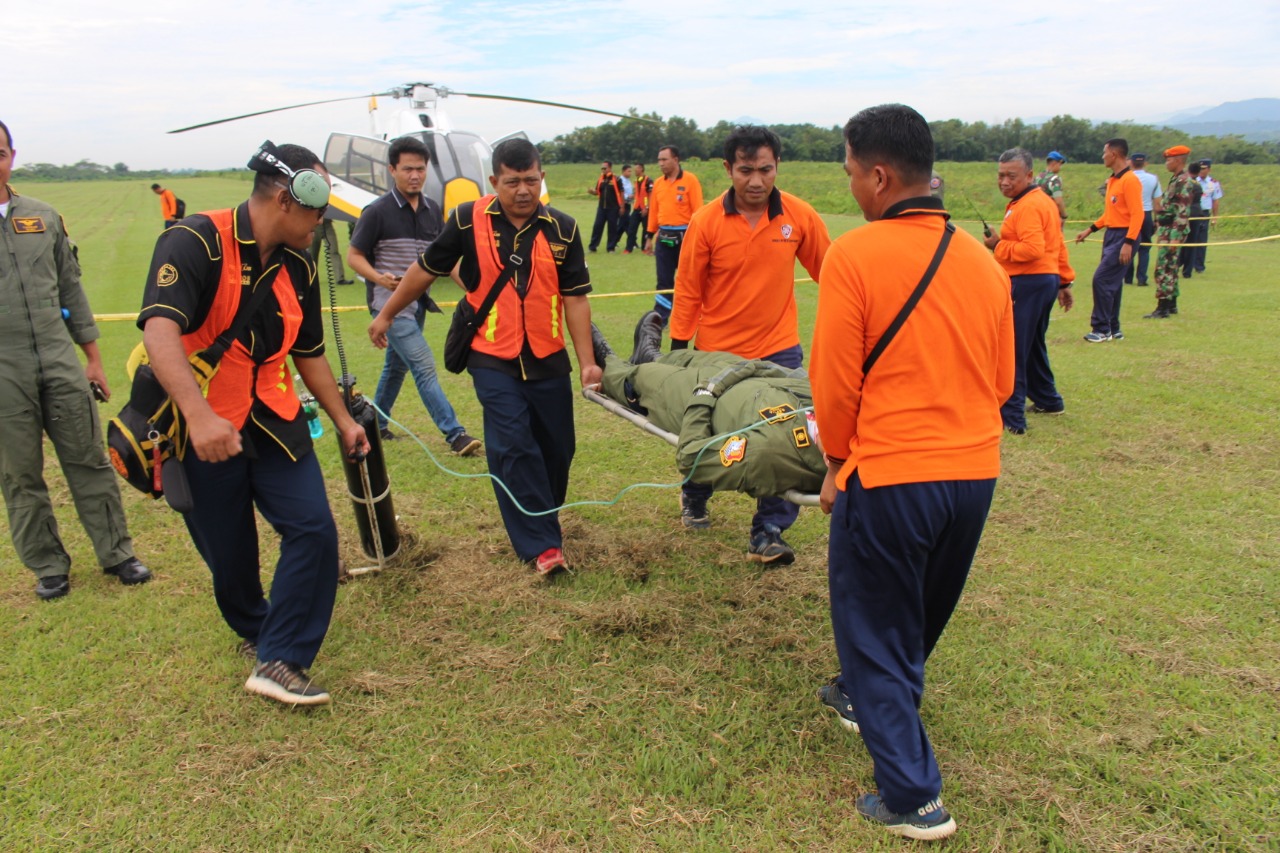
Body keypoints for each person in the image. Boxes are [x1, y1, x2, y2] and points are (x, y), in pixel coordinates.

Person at [810, 104, 1013, 841]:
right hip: (975, 473)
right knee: (917, 610)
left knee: (870, 622)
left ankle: (912, 794)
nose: (851, 186)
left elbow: (833, 383)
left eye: (851, 172)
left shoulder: (856, 255)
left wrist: (837, 463)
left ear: (880, 175)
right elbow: (1001, 381)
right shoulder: (982, 261)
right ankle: (860, 693)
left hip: (893, 473)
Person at [140, 141, 369, 706]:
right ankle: (255, 627)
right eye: (318, 211)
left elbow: (309, 351)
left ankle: (281, 659)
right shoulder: (194, 241)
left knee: (314, 528)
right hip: (206, 428)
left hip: (275, 418)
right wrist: (198, 417)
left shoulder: (300, 260)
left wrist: (342, 420)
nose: (322, 224)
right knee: (231, 555)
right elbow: (158, 332)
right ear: (289, 200)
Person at [369, 138, 600, 578]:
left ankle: (541, 517)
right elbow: (424, 270)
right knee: (512, 443)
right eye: (512, 182)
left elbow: (575, 299)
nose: (523, 191)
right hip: (490, 356)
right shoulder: (466, 219)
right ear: (494, 181)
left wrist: (587, 362)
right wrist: (387, 314)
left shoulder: (563, 229)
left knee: (557, 448)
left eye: (531, 180)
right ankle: (542, 546)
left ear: (542, 178)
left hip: (548, 358)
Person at [0, 119, 152, 600]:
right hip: (4, 368)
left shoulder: (42, 217)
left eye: (0, 150)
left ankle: (117, 553)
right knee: (20, 474)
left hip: (58, 357)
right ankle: (48, 566)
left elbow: (71, 289)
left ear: (12, 155)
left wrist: (92, 359)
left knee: (88, 459)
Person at [667, 125, 831, 564]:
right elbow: (687, 290)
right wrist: (680, 352)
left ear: (777, 167)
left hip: (780, 352)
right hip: (717, 355)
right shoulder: (705, 222)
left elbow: (831, 275)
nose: (756, 181)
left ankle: (770, 529)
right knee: (712, 435)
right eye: (745, 170)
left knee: (793, 438)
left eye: (765, 169)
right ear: (728, 169)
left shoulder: (799, 216)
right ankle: (696, 493)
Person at [346, 137, 480, 455]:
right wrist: (379, 277)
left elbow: (445, 262)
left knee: (396, 367)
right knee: (423, 366)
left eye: (421, 169)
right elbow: (354, 256)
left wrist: (477, 291)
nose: (415, 175)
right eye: (407, 169)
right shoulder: (376, 212)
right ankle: (456, 435)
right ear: (392, 170)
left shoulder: (433, 211)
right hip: (388, 307)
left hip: (419, 304)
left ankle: (374, 425)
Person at [593, 323, 824, 498]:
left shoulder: (767, 454)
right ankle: (652, 355)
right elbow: (792, 375)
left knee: (642, 379)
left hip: (701, 398)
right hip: (735, 373)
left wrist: (705, 395)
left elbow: (692, 458)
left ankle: (609, 362)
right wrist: (748, 367)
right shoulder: (826, 402)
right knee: (690, 359)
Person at [982, 148, 1075, 434]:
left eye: (1012, 176)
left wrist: (997, 245)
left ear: (1030, 175)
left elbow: (1033, 250)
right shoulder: (1036, 201)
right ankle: (1048, 399)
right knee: (1033, 344)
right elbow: (1056, 243)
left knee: (1014, 348)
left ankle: (1011, 418)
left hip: (1029, 281)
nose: (1005, 182)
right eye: (1001, 175)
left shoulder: (1029, 206)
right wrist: (1063, 281)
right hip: (1044, 280)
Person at [1075, 138, 1143, 343]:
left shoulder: (1130, 180)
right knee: (1113, 283)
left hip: (1125, 236)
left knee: (1101, 279)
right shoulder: (1113, 180)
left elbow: (1137, 214)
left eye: (1104, 152)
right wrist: (1090, 229)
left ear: (1114, 154)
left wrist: (1129, 243)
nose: (1102, 156)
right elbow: (1111, 214)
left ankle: (1101, 329)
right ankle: (1114, 327)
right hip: (1111, 234)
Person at [646, 145, 704, 322]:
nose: (660, 163)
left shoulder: (690, 180)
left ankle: (695, 315)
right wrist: (649, 236)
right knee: (663, 281)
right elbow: (654, 212)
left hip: (686, 236)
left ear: (676, 160)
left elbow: (698, 211)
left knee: (691, 280)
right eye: (659, 160)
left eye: (664, 159)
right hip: (663, 237)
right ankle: (661, 318)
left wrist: (697, 237)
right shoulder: (658, 184)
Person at [1145, 146, 1196, 319]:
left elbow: (1182, 211)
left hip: (1172, 231)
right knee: (1171, 267)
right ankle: (1172, 303)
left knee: (1164, 268)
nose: (1166, 163)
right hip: (1168, 228)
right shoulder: (1176, 179)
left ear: (1179, 160)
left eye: (1169, 159)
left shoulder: (1184, 181)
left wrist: (1175, 238)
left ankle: (1162, 307)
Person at [1124, 153, 1163, 286]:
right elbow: (1157, 203)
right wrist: (1157, 220)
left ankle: (1128, 278)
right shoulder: (1153, 179)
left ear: (1132, 163)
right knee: (1145, 247)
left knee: (1129, 245)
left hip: (1130, 215)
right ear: (1145, 163)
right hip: (1146, 214)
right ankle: (1142, 278)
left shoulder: (1127, 177)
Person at [1192, 158, 1223, 274]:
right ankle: (1186, 263)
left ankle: (1199, 266)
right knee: (1190, 239)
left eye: (1204, 169)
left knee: (1202, 240)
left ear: (1209, 169)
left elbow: (1215, 201)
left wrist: (1215, 217)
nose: (1202, 171)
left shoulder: (1213, 183)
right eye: (1200, 169)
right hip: (1193, 212)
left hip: (1205, 213)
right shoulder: (1193, 181)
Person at [587, 160, 625, 253]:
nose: (603, 169)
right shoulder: (601, 179)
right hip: (601, 208)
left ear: (610, 168)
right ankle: (593, 247)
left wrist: (622, 206)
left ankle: (611, 248)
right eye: (602, 168)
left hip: (613, 208)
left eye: (605, 168)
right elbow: (597, 192)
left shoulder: (617, 179)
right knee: (597, 226)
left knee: (612, 228)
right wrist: (592, 192)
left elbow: (622, 192)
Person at [1180, 162, 1207, 281]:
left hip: (1186, 213)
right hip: (1196, 214)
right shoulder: (1198, 185)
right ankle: (1187, 270)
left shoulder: (1186, 183)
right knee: (1192, 243)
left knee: (1181, 240)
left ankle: (1177, 264)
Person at [310, 219, 353, 284]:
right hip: (315, 226)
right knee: (312, 254)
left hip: (327, 225)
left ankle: (340, 279)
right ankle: (310, 278)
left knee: (334, 251)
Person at [624, 162, 653, 254]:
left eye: (636, 169)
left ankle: (644, 248)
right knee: (631, 228)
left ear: (641, 169)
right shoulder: (636, 181)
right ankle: (628, 249)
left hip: (645, 209)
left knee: (645, 229)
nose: (635, 171)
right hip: (636, 209)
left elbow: (651, 196)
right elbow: (638, 195)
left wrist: (647, 208)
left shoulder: (649, 181)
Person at [1034, 151, 1068, 224]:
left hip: (1036, 214)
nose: (1060, 168)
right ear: (1054, 163)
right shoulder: (1055, 179)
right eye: (1060, 164)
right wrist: (1064, 215)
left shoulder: (1037, 177)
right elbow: (1058, 201)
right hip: (1049, 216)